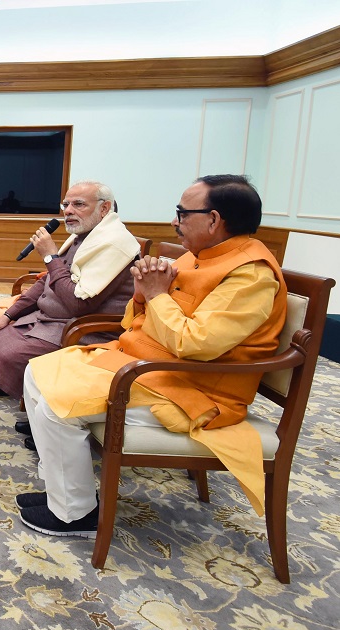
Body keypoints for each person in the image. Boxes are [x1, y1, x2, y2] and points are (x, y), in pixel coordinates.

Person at [18, 175, 287, 538]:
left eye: (181, 213)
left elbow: (196, 344)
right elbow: (135, 322)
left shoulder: (249, 274)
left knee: (58, 408)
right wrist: (144, 294)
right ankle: (63, 494)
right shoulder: (197, 257)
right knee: (37, 371)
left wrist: (157, 295)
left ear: (213, 220)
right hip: (147, 367)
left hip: (191, 389)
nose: (174, 221)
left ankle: (75, 515)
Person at [0, 181, 138, 440]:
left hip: (83, 328)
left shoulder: (114, 244)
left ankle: (50, 424)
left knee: (12, 353)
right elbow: (46, 282)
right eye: (66, 204)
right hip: (54, 318)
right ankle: (42, 416)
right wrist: (9, 315)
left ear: (105, 208)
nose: (68, 211)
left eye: (78, 204)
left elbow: (78, 304)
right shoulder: (85, 234)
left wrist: (50, 257)